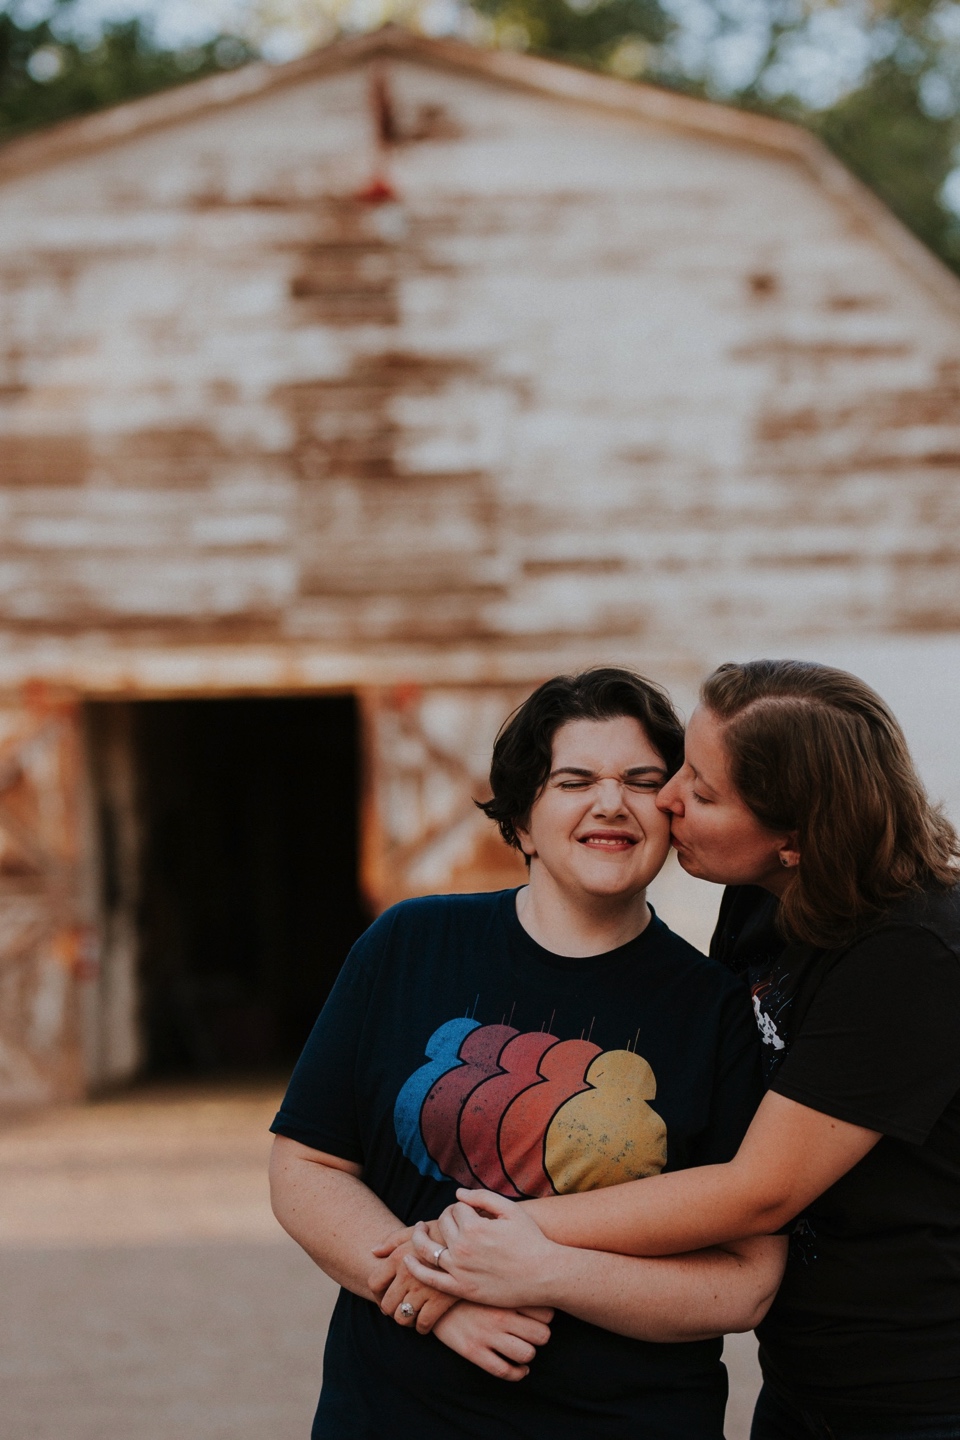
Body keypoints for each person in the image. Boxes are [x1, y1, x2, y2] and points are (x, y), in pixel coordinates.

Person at [403, 659, 960, 1440]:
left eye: (700, 791)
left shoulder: (910, 952)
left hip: (917, 1390)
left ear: (793, 837)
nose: (665, 800)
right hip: (806, 1378)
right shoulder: (763, 907)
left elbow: (759, 1190)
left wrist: (510, 1238)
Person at [268, 667, 785, 1440]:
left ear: (674, 813)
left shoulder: (715, 1007)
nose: (611, 802)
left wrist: (546, 1272)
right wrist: (433, 1297)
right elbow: (306, 1166)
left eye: (643, 781)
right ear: (520, 819)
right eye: (575, 780)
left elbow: (746, 1282)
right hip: (393, 1415)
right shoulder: (409, 944)